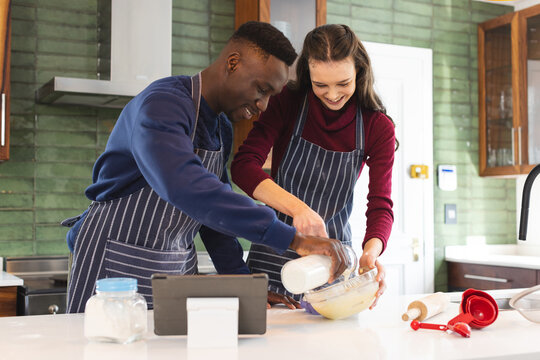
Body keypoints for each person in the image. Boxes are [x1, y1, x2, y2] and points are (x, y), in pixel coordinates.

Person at [62, 21, 351, 313]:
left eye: (270, 96)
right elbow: (185, 186)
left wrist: (246, 286)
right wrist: (295, 239)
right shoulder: (163, 104)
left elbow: (214, 224)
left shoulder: (221, 129)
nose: (263, 105)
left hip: (173, 271)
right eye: (261, 89)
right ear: (233, 63)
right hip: (114, 266)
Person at [231, 24, 396, 309]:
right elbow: (243, 166)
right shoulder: (288, 104)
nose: (332, 95)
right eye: (321, 85)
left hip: (331, 265)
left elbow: (380, 205)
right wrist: (299, 209)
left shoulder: (377, 127)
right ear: (308, 75)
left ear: (359, 71)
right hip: (272, 256)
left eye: (343, 83)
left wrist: (371, 253)